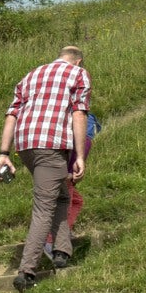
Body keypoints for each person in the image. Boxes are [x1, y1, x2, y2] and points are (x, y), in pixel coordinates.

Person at [0, 43, 90, 292]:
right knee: (44, 207)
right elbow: (79, 114)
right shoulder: (78, 74)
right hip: (51, 145)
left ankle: (62, 252)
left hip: (26, 145)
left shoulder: (31, 75)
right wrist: (80, 155)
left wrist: (4, 153)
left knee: (61, 197)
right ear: (78, 61)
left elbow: (11, 114)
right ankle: (27, 271)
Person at [54, 108, 103, 268]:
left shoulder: (64, 133)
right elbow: (78, 153)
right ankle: (55, 238)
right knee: (68, 202)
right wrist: (70, 174)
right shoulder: (85, 139)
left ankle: (61, 233)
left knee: (75, 200)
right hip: (67, 175)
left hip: (56, 169)